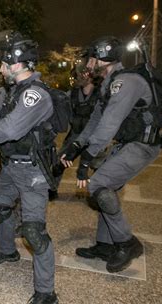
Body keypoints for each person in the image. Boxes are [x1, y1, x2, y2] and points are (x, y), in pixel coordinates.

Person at [0, 30, 58, 304]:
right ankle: (8, 251)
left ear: (17, 63)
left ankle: (46, 294)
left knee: (33, 232)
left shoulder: (34, 93)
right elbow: (6, 123)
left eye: (2, 64)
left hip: (33, 172)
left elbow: (8, 130)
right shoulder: (14, 92)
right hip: (11, 166)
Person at [60, 36, 158, 274]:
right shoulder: (109, 83)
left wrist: (86, 159)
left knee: (99, 185)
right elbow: (96, 120)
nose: (87, 64)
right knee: (106, 189)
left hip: (142, 145)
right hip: (126, 144)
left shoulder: (126, 82)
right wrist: (77, 145)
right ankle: (105, 245)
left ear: (103, 58)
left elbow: (109, 124)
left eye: (90, 58)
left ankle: (127, 243)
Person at [49, 60, 101, 201]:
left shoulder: (101, 94)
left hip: (96, 137)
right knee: (59, 162)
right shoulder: (72, 94)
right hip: (76, 135)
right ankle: (51, 189)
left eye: (80, 74)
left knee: (100, 166)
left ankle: (99, 195)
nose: (78, 78)